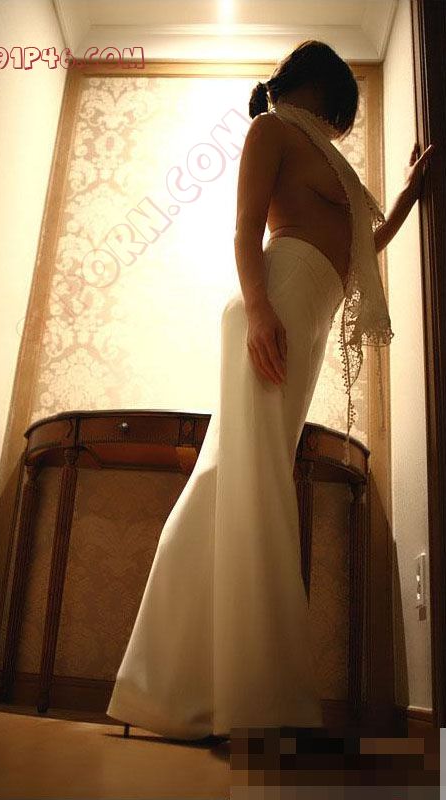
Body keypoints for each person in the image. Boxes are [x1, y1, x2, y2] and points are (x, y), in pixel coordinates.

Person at [106, 40, 435, 743]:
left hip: (300, 320)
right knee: (252, 486)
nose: (342, 119)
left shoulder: (323, 155)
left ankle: (170, 690)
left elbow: (355, 249)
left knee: (231, 483)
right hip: (274, 309)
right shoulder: (273, 129)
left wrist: (408, 197)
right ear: (322, 86)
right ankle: (251, 699)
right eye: (342, 104)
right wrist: (258, 311)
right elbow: (244, 229)